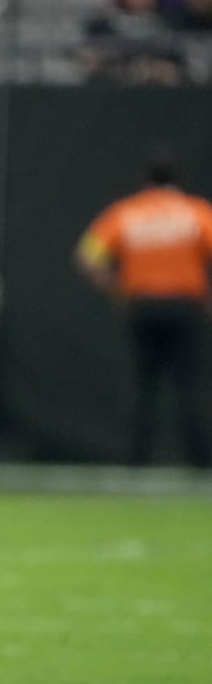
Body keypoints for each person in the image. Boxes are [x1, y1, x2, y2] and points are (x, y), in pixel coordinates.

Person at [74, 152, 212, 468]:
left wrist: (118, 290)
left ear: (147, 181)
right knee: (190, 387)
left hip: (142, 308)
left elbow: (87, 255)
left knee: (142, 388)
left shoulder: (128, 213)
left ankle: (136, 462)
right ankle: (201, 464)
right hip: (184, 308)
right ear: (180, 181)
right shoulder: (196, 213)